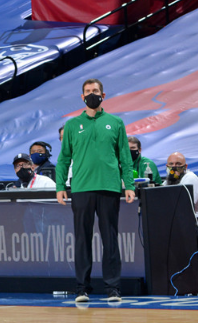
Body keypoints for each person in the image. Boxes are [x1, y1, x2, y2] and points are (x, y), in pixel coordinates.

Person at [56, 78, 136, 304]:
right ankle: (82, 288)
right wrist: (60, 186)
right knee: (82, 239)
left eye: (95, 90)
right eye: (88, 91)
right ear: (82, 97)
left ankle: (113, 289)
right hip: (81, 188)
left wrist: (129, 185)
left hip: (109, 187)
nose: (92, 94)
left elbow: (125, 157)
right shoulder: (72, 125)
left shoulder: (115, 122)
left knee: (110, 239)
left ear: (103, 95)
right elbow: (63, 159)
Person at [162, 152, 198, 246]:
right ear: (167, 166)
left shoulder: (190, 178)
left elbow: (182, 208)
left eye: (178, 164)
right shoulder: (169, 181)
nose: (174, 167)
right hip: (186, 227)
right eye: (171, 164)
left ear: (185, 166)